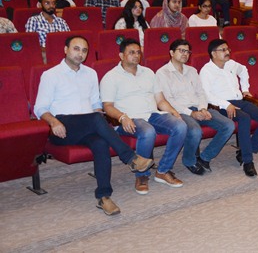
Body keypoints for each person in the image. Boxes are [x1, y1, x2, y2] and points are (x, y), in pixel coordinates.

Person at [34, 35, 155, 216]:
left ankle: (104, 197)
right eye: (76, 49)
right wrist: (53, 122)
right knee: (96, 119)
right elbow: (40, 108)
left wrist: (99, 116)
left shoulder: (90, 73)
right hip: (62, 127)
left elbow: (96, 104)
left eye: (84, 50)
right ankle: (131, 158)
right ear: (66, 50)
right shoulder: (51, 75)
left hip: (87, 125)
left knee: (100, 142)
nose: (80, 53)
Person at [101, 38, 188, 193]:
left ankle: (163, 170)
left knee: (180, 126)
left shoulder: (148, 73)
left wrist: (173, 111)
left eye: (138, 52)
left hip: (152, 114)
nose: (136, 55)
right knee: (148, 131)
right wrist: (122, 117)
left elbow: (160, 100)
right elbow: (107, 106)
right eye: (131, 52)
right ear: (121, 55)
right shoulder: (111, 77)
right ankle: (141, 175)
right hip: (129, 118)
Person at [156, 39, 236, 175]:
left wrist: (203, 108)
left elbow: (201, 93)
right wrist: (191, 113)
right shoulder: (162, 73)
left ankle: (205, 157)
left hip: (199, 107)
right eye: (181, 50)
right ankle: (189, 161)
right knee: (195, 131)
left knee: (228, 125)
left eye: (187, 51)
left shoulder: (192, 70)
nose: (185, 54)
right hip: (179, 111)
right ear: (171, 53)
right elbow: (169, 100)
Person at [199, 39, 258, 177]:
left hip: (239, 101)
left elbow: (244, 70)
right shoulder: (206, 71)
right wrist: (226, 104)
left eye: (228, 49)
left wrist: (245, 89)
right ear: (213, 54)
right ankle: (248, 161)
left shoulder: (231, 64)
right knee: (244, 118)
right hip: (221, 105)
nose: (227, 52)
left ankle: (245, 150)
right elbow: (206, 95)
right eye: (223, 50)